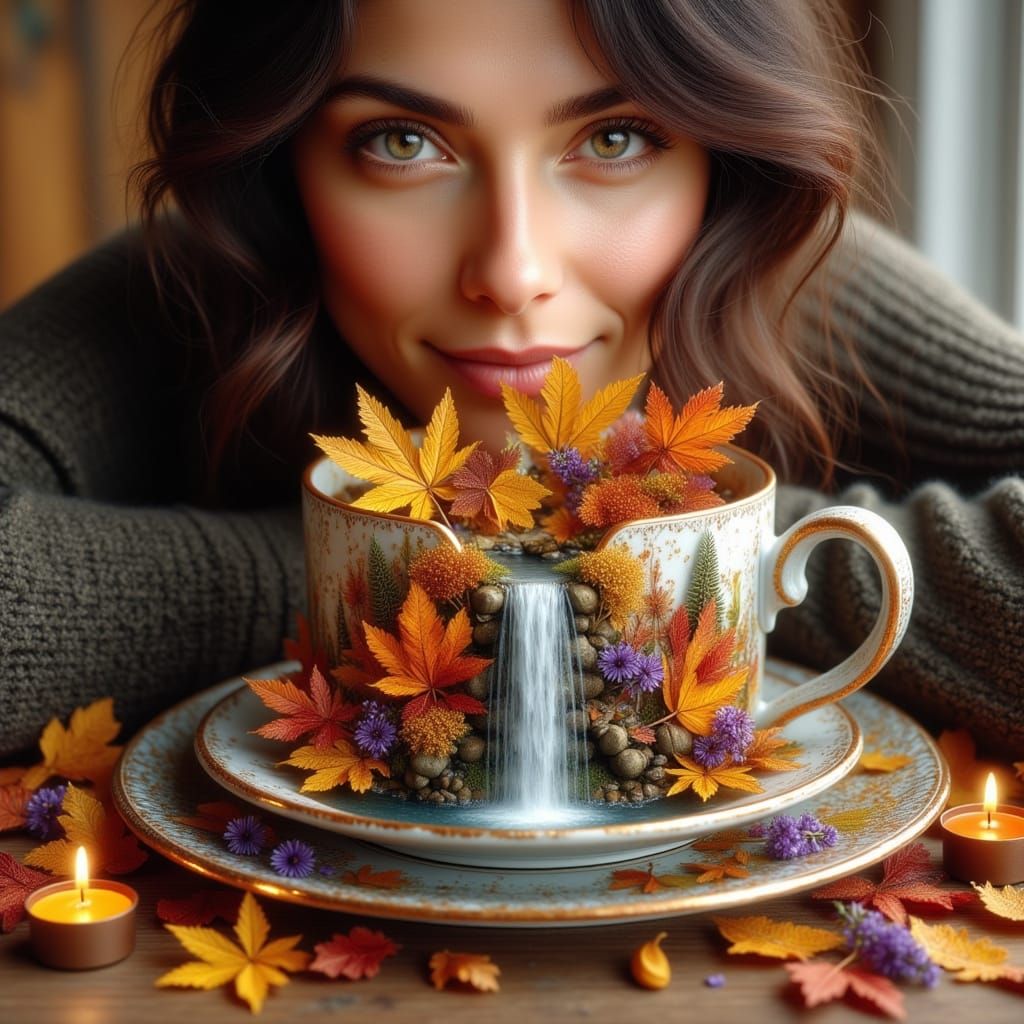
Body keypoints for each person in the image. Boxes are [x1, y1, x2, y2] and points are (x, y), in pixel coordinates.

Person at [1, 0, 1022, 762]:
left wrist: (708, 550)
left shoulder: (774, 269)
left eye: (613, 139)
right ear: (283, 163)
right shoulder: (200, 283)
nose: (512, 269)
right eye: (402, 144)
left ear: (721, 162)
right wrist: (361, 565)